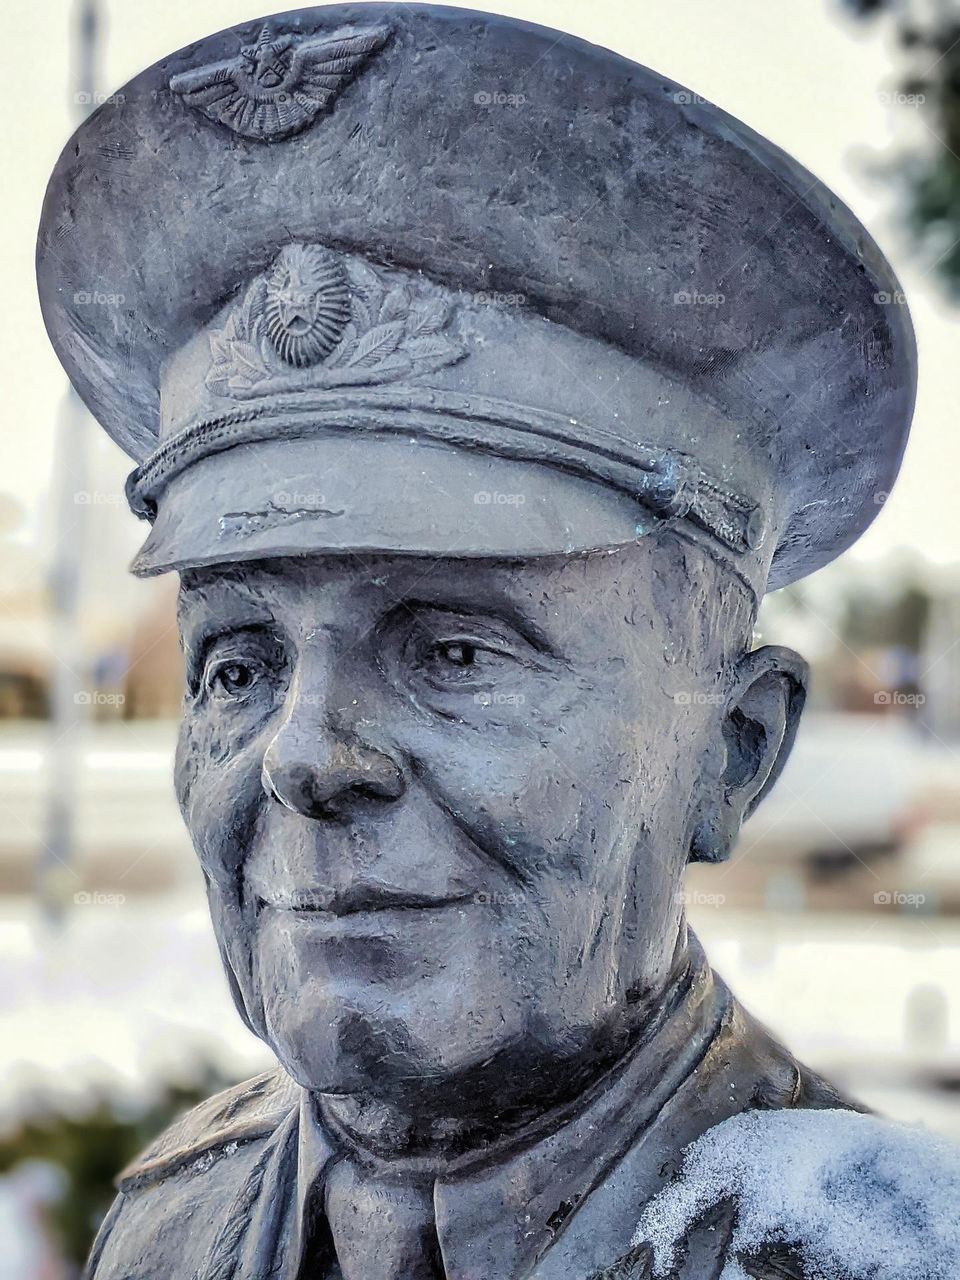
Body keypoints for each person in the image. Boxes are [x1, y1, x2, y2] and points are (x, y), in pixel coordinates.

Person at [37, 6, 925, 1277]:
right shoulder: (168, 1231)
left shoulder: (882, 1254)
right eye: (240, 662)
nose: (305, 756)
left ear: (728, 755)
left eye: (453, 650)